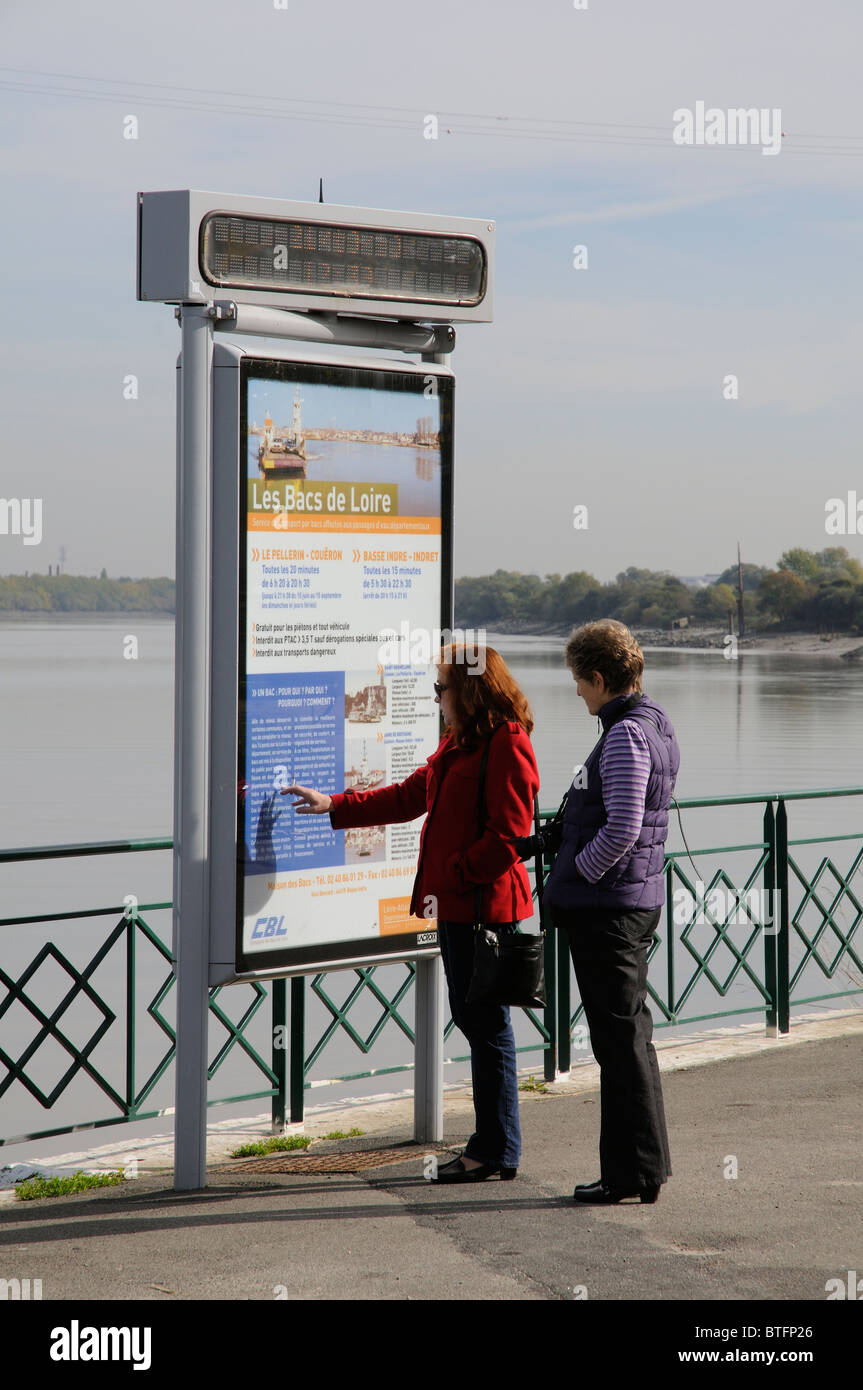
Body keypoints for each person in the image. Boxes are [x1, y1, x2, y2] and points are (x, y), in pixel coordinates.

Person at [286, 644, 539, 1183]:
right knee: (479, 1024)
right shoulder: (459, 743)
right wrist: (335, 804)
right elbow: (408, 796)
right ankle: (495, 1146)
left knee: (486, 1027)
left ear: (468, 690)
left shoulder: (506, 744)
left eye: (441, 688)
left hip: (482, 910)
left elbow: (511, 836)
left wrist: (455, 871)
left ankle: (494, 1149)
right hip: (456, 907)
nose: (437, 698)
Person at [543, 619, 680, 1205]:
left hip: (609, 909)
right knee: (630, 1039)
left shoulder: (623, 735)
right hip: (634, 900)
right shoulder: (655, 722)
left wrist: (577, 874)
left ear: (599, 678)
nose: (576, 692)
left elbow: (622, 826)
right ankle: (641, 1170)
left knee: (618, 1043)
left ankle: (630, 1175)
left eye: (579, 681)